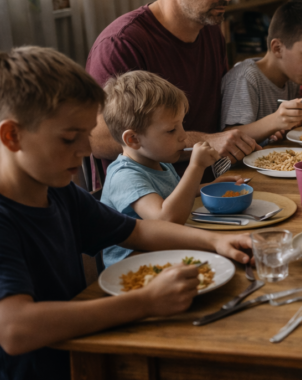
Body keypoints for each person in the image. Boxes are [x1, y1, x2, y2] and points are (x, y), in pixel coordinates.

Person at [0, 47, 252, 380]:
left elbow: (139, 231)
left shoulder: (59, 192)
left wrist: (216, 241)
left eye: (85, 134)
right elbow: (14, 328)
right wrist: (145, 302)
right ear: (11, 136)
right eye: (69, 138)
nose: (84, 150)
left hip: (83, 364)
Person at [87, 0, 259, 170]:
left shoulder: (210, 29)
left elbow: (220, 111)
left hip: (208, 177)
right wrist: (206, 141)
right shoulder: (121, 44)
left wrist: (246, 138)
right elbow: (97, 139)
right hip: (146, 196)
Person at [100, 71, 246, 266]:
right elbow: (166, 220)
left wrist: (205, 187)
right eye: (171, 130)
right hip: (135, 268)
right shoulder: (125, 177)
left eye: (181, 125)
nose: (184, 136)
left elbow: (172, 195)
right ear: (133, 139)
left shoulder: (159, 161)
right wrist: (196, 167)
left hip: (167, 253)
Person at [220, 1, 302, 145]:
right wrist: (275, 122)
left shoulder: (292, 78)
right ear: (278, 48)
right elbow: (227, 137)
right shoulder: (246, 78)